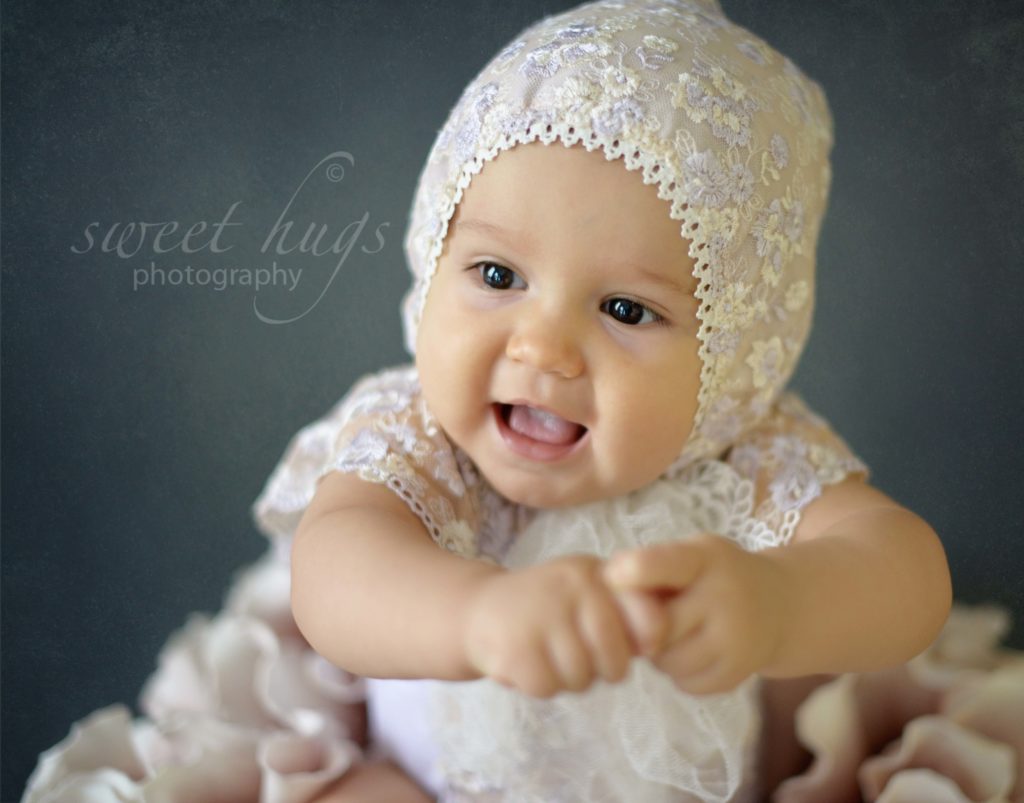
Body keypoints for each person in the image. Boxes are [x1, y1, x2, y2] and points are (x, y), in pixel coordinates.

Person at [21, 1, 953, 802]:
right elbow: (335, 573)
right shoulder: (421, 433)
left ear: (732, 359)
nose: (542, 346)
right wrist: (476, 616)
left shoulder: (745, 453)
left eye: (626, 309)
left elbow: (906, 574)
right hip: (417, 783)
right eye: (498, 274)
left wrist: (777, 603)